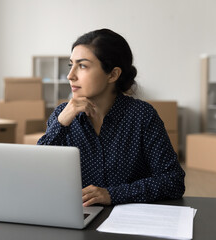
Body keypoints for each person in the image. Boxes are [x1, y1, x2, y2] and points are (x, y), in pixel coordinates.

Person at [37, 28, 185, 207]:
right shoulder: (62, 115)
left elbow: (173, 181)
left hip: (130, 222)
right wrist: (60, 124)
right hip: (78, 218)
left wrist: (113, 194)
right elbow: (38, 172)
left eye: (82, 65)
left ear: (113, 74)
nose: (70, 75)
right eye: (71, 65)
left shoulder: (142, 116)